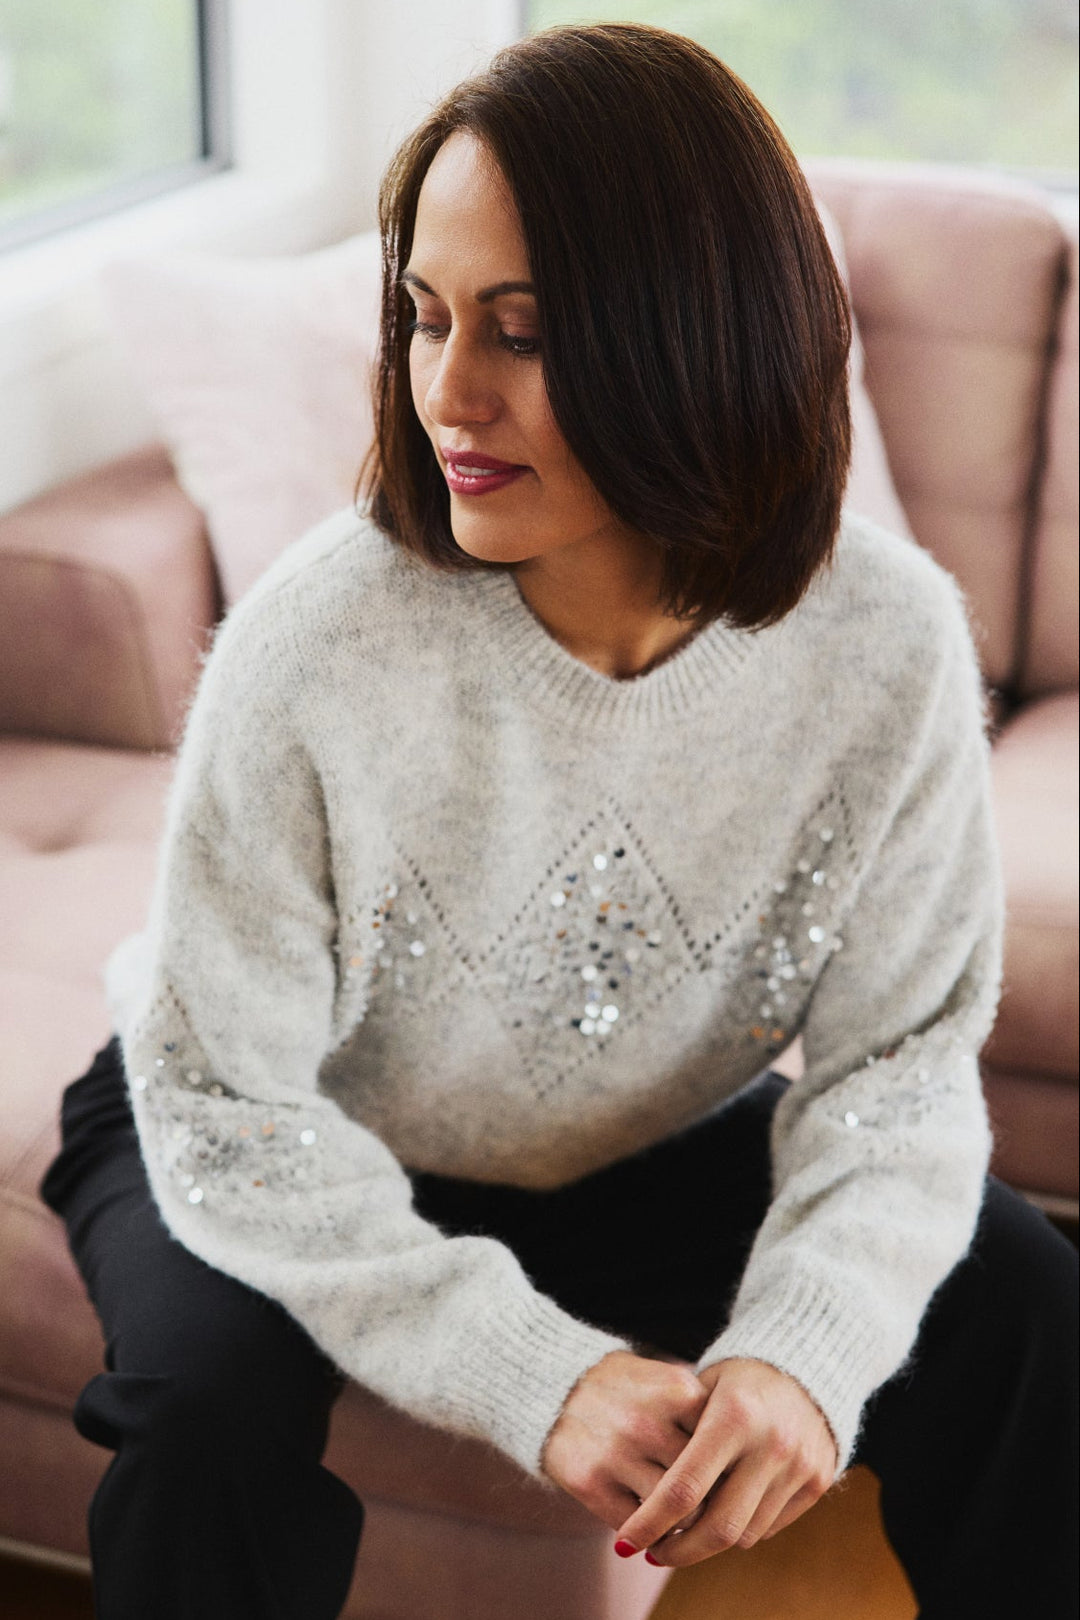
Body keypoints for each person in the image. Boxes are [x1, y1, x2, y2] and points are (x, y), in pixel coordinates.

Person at [40, 22, 1077, 1620]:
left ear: (696, 336)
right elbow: (227, 1102)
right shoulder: (315, 641)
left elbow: (899, 1072)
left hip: (633, 1135)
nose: (448, 392)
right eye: (426, 316)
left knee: (1028, 1305)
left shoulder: (888, 646)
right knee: (203, 1420)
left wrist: (804, 1352)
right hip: (255, 1114)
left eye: (520, 330)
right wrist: (532, 1366)